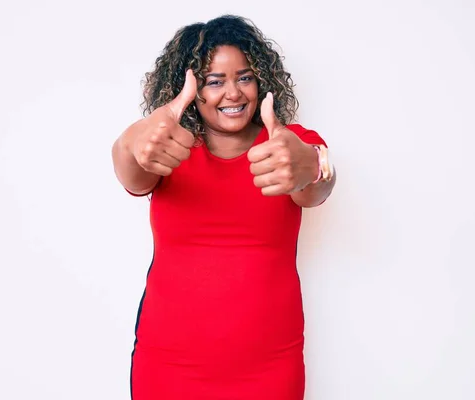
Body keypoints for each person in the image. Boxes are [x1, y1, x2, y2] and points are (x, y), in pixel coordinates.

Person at [111, 14, 336, 400]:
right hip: (169, 365)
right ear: (190, 89)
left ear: (262, 80)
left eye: (244, 77)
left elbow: (317, 186)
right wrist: (134, 140)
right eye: (214, 82)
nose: (232, 93)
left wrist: (313, 166)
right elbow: (132, 173)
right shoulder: (166, 144)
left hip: (269, 365)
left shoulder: (286, 144)